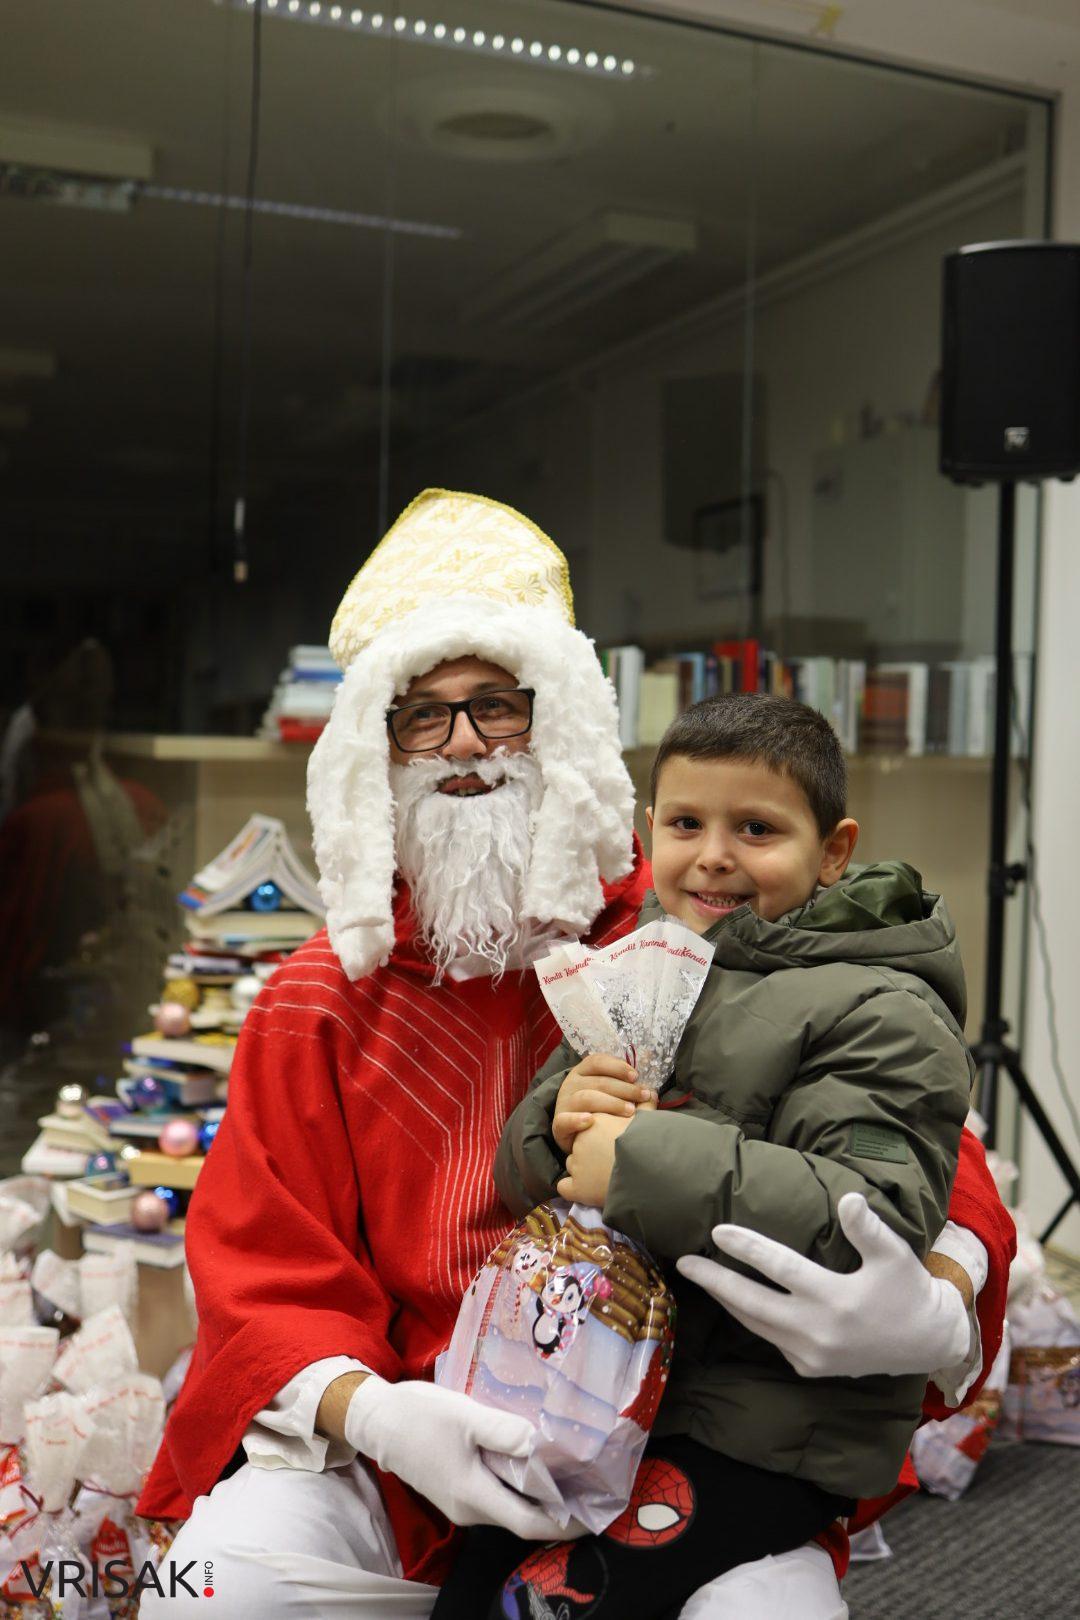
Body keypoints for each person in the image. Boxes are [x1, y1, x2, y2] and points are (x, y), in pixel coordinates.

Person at [137, 492, 1011, 1618]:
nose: (462, 745)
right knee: (206, 1597)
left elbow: (925, 1139)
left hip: (672, 1434)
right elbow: (259, 1266)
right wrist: (381, 1415)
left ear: (561, 727)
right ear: (376, 750)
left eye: (498, 707)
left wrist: (939, 1296)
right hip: (399, 1451)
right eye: (424, 715)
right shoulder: (316, 998)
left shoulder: (684, 933)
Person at [450, 692, 974, 1619]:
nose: (716, 854)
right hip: (592, 1390)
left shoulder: (883, 1011)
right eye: (688, 823)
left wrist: (643, 1160)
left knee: (547, 1606)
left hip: (755, 1429)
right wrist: (556, 1125)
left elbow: (870, 1218)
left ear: (835, 849)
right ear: (650, 831)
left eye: (758, 828)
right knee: (469, 1582)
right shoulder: (645, 961)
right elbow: (519, 1174)